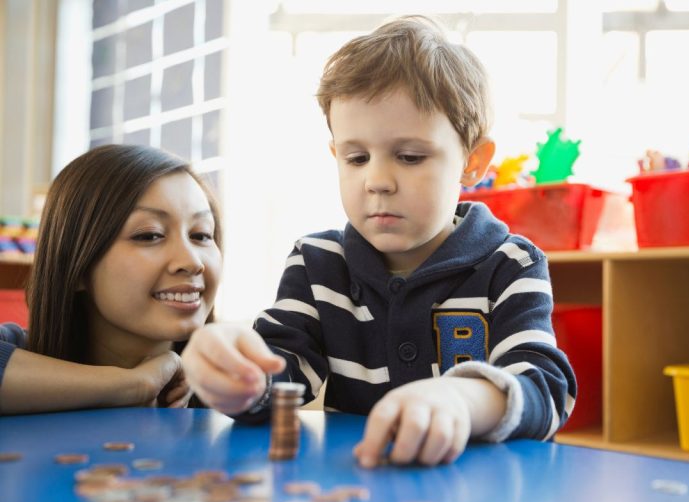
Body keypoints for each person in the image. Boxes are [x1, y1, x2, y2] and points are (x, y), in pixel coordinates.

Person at [182, 15, 576, 468]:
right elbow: (280, 377)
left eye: (409, 157)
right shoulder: (316, 264)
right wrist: (238, 374)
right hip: (359, 485)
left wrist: (463, 399)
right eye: (357, 157)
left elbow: (546, 389)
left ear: (472, 162)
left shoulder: (512, 263)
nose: (377, 181)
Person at [0, 144, 223, 414]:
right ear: (77, 267)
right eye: (150, 235)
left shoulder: (241, 382)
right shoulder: (19, 350)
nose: (192, 262)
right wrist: (132, 386)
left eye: (201, 235)